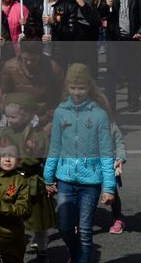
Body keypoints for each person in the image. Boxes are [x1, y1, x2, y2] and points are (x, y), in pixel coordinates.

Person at [43, 64, 116, 263]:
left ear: (90, 87)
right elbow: (55, 147)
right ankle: (75, 255)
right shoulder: (60, 112)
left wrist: (109, 187)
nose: (77, 92)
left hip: (90, 182)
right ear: (67, 87)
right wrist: (48, 177)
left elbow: (107, 154)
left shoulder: (99, 115)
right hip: (65, 178)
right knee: (64, 226)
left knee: (85, 230)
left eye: (82, 88)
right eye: (73, 88)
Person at [0, 143, 33, 263]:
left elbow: (24, 210)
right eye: (3, 155)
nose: (7, 159)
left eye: (12, 156)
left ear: (18, 160)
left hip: (11, 236)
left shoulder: (21, 181)